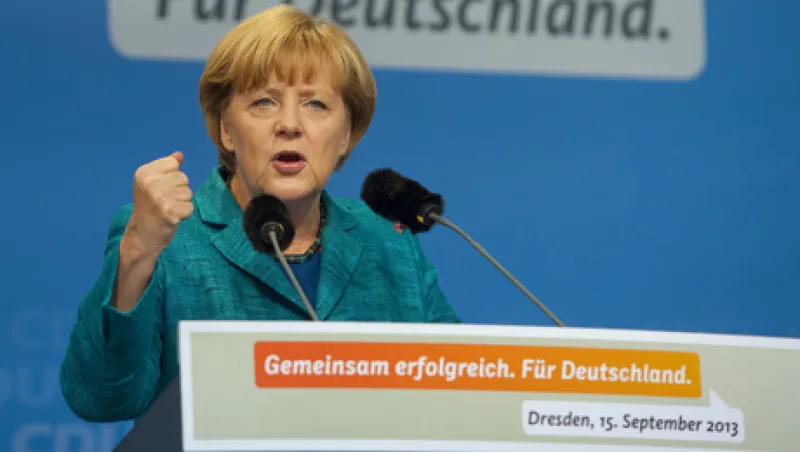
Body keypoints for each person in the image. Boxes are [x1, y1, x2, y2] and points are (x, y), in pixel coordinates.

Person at [59, 4, 460, 423]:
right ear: (227, 129)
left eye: (316, 105)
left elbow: (458, 392)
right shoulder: (170, 237)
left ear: (346, 135)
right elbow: (101, 398)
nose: (289, 124)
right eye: (264, 102)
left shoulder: (389, 244)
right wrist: (138, 253)